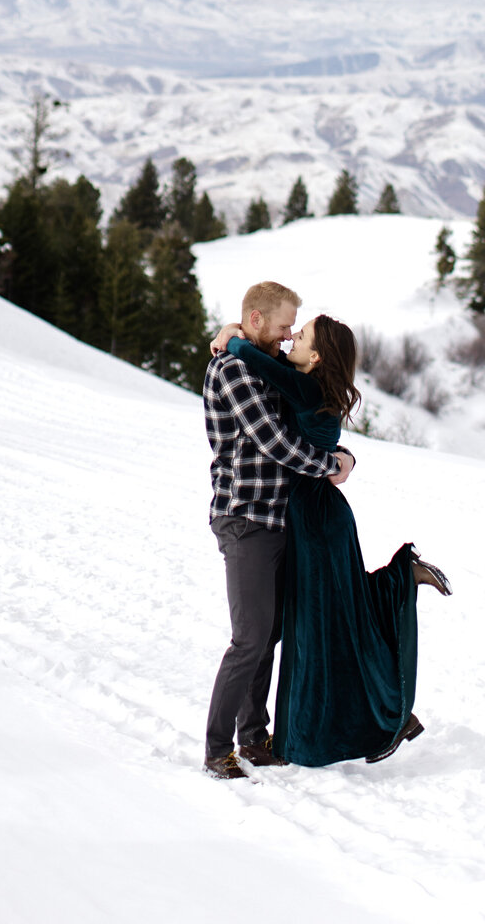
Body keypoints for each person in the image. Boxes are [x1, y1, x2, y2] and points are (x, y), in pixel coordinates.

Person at [211, 311, 451, 769]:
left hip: (314, 515)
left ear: (316, 356)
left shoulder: (305, 384)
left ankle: (377, 707)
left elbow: (253, 360)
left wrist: (229, 336)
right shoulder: (321, 389)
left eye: (300, 336)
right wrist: (339, 459)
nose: (291, 338)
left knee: (328, 625)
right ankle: (400, 584)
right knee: (342, 612)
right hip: (321, 513)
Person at [202, 280, 354, 780]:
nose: (290, 337)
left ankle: (254, 736)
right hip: (245, 518)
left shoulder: (261, 367)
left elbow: (311, 415)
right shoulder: (232, 371)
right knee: (249, 638)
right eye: (286, 325)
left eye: (296, 329)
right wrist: (329, 463)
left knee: (268, 636)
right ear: (257, 319)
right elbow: (275, 441)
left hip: (278, 518)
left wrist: (342, 454)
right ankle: (217, 750)